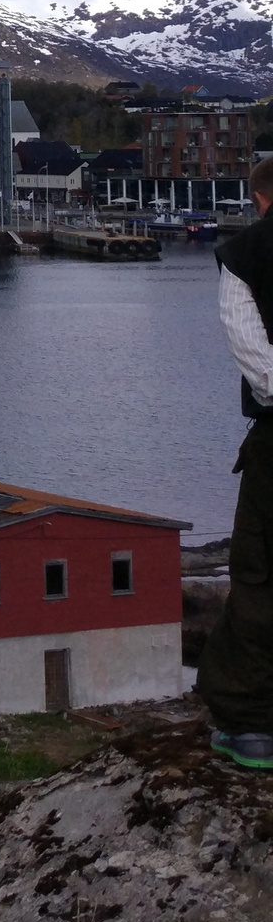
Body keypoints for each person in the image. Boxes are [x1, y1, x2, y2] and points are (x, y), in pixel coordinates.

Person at [203, 154, 273, 769]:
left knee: (259, 577)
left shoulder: (246, 257)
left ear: (259, 199)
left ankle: (253, 725)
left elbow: (257, 359)